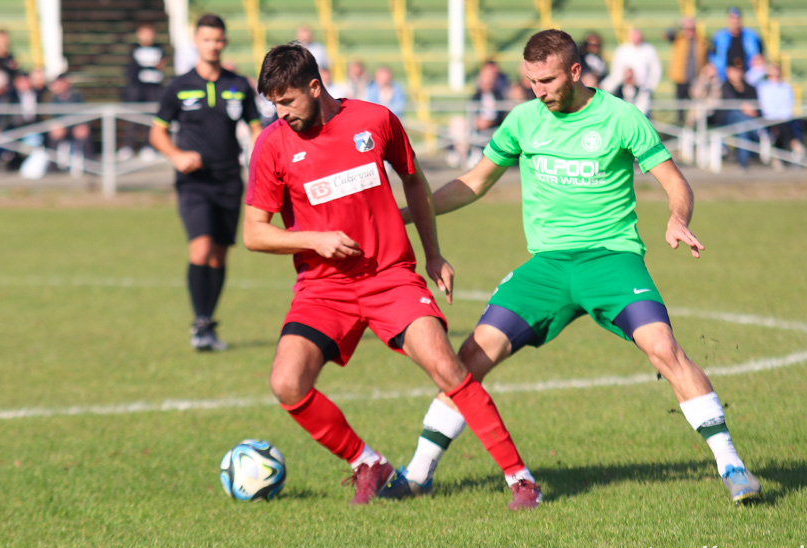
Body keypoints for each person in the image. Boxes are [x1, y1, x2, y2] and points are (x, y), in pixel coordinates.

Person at [384, 29, 762, 506]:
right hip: (547, 267)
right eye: (530, 81)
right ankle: (419, 473)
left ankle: (732, 466)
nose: (537, 91)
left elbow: (674, 180)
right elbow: (473, 183)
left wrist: (677, 217)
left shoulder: (622, 118)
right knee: (468, 360)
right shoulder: (523, 120)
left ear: (576, 72)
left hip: (611, 260)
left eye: (546, 80)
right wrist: (406, 215)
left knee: (664, 348)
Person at [243, 42, 539, 510]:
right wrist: (314, 241)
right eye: (273, 103)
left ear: (315, 87)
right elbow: (254, 233)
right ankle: (367, 463)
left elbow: (415, 182)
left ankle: (521, 480)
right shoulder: (272, 145)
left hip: (389, 275)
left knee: (447, 367)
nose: (281, 113)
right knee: (287, 383)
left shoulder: (375, 120)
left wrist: (434, 254)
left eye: (287, 101)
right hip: (324, 288)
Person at [149, 14, 262, 351]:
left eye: (218, 40)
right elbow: (157, 132)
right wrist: (177, 155)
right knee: (200, 246)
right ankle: (200, 324)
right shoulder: (178, 86)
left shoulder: (239, 85)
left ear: (224, 42)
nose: (213, 45)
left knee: (219, 255)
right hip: (194, 182)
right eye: (207, 39)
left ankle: (208, 323)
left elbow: (256, 129)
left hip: (229, 180)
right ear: (196, 42)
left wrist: (261, 157)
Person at [119, 22, 166, 162]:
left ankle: (149, 146)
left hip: (153, 89)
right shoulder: (134, 49)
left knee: (151, 118)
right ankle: (128, 146)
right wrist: (150, 67)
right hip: (137, 90)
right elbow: (134, 70)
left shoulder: (159, 49)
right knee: (133, 118)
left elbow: (159, 66)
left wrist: (149, 68)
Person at [601, 28, 662, 116]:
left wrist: (650, 85)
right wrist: (625, 78)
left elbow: (656, 70)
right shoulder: (622, 49)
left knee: (641, 112)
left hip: (642, 88)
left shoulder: (649, 50)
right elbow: (616, 69)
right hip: (623, 86)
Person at [756, 63, 806, 167]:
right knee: (781, 128)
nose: (775, 78)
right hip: (770, 118)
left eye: (777, 75)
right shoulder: (762, 87)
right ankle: (793, 146)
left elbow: (788, 106)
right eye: (772, 75)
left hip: (785, 118)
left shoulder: (786, 87)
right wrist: (761, 68)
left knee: (795, 124)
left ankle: (789, 150)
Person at [667, 18, 709, 125]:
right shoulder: (679, 39)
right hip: (680, 79)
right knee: (680, 109)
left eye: (691, 29)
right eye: (687, 29)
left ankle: (692, 129)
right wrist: (679, 25)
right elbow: (667, 34)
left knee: (694, 109)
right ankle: (679, 129)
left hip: (695, 80)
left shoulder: (700, 41)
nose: (689, 31)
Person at [719, 63, 760, 170]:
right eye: (735, 70)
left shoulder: (749, 87)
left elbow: (756, 105)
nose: (737, 73)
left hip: (745, 121)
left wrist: (751, 110)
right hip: (728, 120)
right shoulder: (725, 86)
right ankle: (758, 130)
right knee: (740, 118)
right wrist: (744, 108)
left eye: (739, 70)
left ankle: (743, 162)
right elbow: (731, 102)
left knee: (742, 126)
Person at [710, 7, 762, 82]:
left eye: (737, 18)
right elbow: (712, 57)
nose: (735, 21)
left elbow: (759, 56)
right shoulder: (719, 37)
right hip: (724, 77)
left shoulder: (751, 36)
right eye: (732, 18)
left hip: (747, 76)